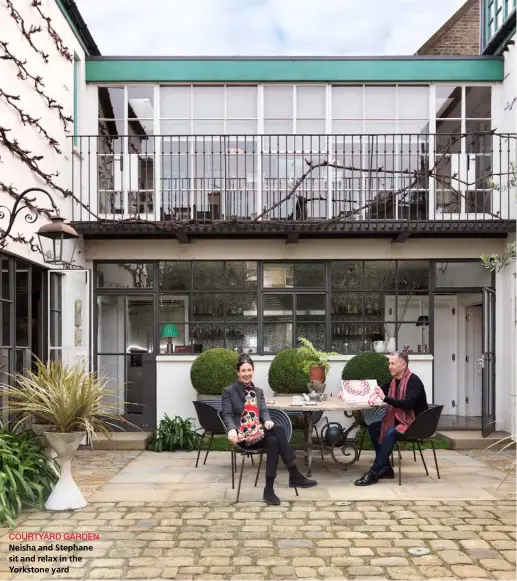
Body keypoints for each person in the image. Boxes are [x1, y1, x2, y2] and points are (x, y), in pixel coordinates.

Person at [222, 353, 317, 505]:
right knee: (278, 432)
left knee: (273, 440)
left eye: (249, 370)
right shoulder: (229, 391)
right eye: (243, 371)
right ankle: (294, 473)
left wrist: (267, 420)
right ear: (238, 372)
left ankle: (269, 490)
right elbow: (227, 414)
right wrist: (231, 429)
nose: (247, 374)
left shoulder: (258, 392)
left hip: (257, 434)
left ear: (253, 370)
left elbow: (264, 410)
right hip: (242, 436)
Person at [354, 351, 428, 486]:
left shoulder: (414, 381)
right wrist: (348, 394)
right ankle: (386, 468)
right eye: (389, 363)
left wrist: (386, 398)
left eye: (393, 363)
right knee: (375, 427)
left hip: (415, 423)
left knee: (391, 433)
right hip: (400, 420)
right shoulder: (393, 381)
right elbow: (376, 390)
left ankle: (373, 472)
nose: (390, 366)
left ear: (403, 365)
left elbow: (408, 403)